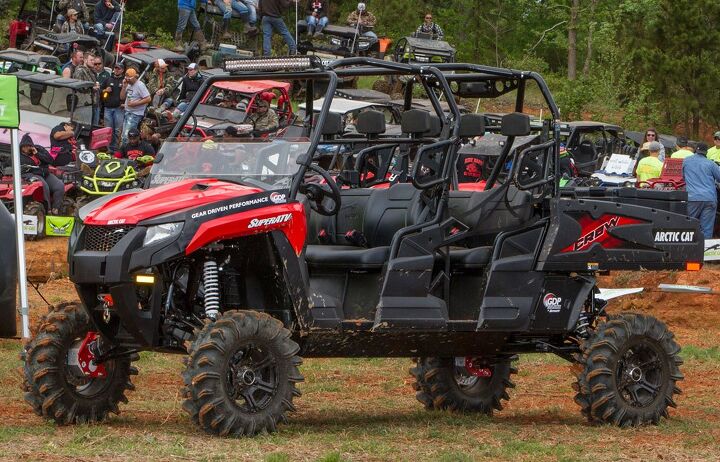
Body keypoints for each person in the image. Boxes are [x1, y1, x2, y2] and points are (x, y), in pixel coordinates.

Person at [19, 134, 65, 215]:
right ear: (21, 147)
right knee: (44, 186)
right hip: (32, 174)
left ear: (32, 146)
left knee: (59, 185)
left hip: (45, 174)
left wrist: (37, 154)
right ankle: (48, 210)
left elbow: (50, 160)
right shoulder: (19, 156)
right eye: (24, 146)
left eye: (28, 146)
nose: (26, 148)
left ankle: (56, 208)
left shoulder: (39, 149)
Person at [683, 143, 720, 239]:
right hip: (709, 198)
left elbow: (683, 177)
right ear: (706, 152)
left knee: (689, 226)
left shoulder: (686, 161)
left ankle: (688, 250)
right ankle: (704, 251)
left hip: (692, 198)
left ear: (695, 150)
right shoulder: (711, 163)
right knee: (706, 229)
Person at [120, 68, 151, 144]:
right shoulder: (128, 85)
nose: (127, 80)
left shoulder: (140, 85)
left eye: (129, 78)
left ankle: (125, 153)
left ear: (134, 77)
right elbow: (122, 97)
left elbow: (148, 98)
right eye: (126, 78)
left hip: (135, 114)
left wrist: (135, 103)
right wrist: (124, 87)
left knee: (127, 136)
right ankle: (124, 151)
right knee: (123, 135)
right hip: (127, 112)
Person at [101, 62, 126, 153]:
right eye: (115, 68)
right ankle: (108, 149)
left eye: (119, 68)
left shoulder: (125, 81)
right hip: (107, 108)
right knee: (108, 129)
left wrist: (125, 103)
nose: (116, 70)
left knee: (117, 130)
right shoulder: (108, 79)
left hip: (119, 108)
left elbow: (129, 94)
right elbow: (100, 90)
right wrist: (105, 90)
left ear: (122, 70)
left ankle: (116, 149)